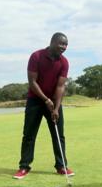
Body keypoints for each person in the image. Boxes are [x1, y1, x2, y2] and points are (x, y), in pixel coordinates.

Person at [13, 32, 75, 179]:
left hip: (54, 101)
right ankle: (24, 167)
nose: (64, 47)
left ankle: (61, 166)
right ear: (52, 42)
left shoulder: (64, 62)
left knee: (58, 135)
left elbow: (61, 86)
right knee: (29, 135)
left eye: (66, 44)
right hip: (35, 100)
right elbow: (32, 82)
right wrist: (46, 100)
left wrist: (56, 107)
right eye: (61, 43)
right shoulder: (37, 56)